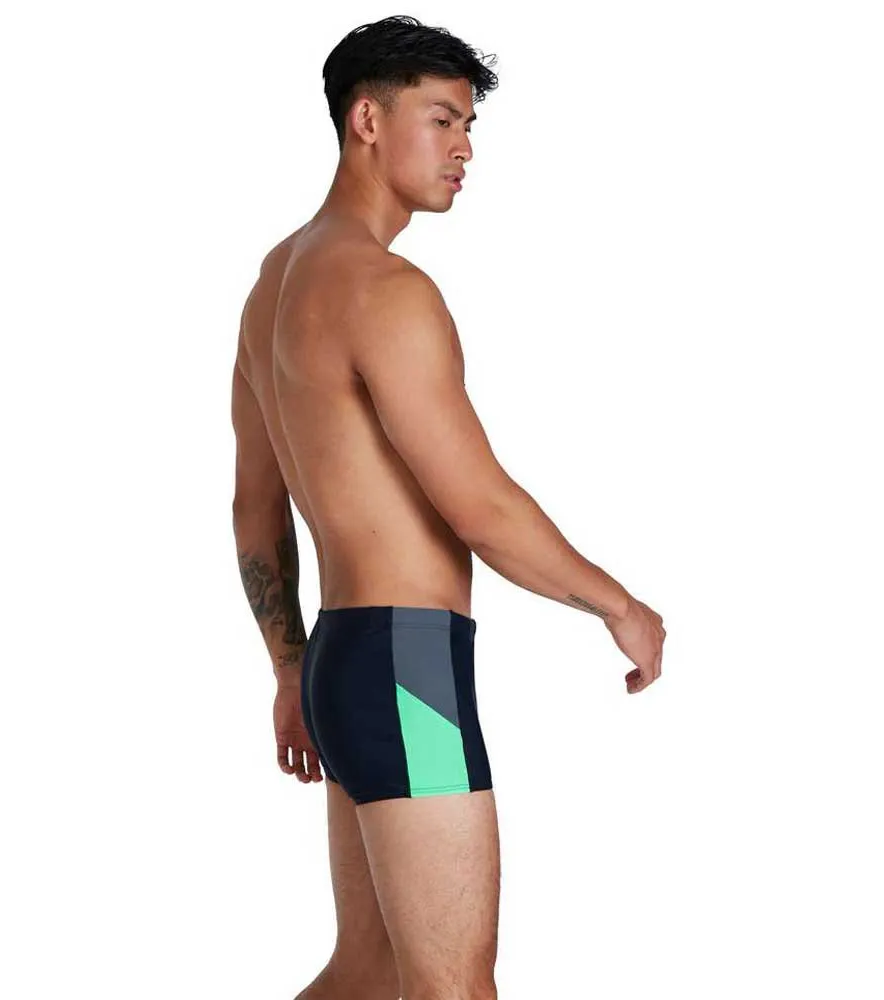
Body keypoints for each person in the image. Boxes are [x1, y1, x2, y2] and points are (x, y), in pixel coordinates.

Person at [231, 15, 666, 1000]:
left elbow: (254, 507)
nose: (464, 148)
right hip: (408, 667)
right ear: (366, 121)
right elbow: (479, 505)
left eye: (469, 125)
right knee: (453, 987)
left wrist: (292, 668)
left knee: (368, 972)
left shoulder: (273, 286)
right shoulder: (385, 290)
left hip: (345, 657)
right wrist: (618, 605)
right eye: (440, 119)